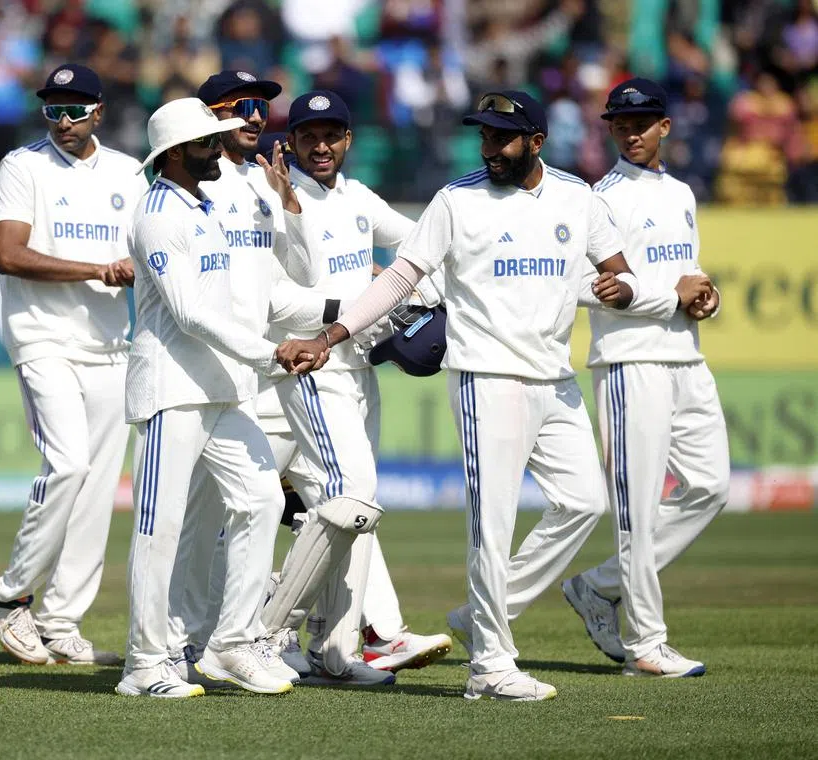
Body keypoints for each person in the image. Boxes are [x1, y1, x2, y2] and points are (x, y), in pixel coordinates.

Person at [275, 90, 702, 701]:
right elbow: (401, 276)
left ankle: (483, 618)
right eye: (483, 137)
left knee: (583, 502)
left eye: (502, 138)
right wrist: (332, 334)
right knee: (491, 527)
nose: (490, 149)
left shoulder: (576, 196)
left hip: (554, 379)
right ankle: (491, 666)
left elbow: (617, 268)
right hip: (486, 377)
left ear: (536, 141)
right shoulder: (456, 199)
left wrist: (622, 288)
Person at [260, 90, 452, 685]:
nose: (320, 146)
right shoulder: (268, 197)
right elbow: (285, 283)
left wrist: (408, 291)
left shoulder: (359, 197)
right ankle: (266, 632)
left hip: (360, 369)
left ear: (348, 140)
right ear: (290, 141)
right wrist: (288, 205)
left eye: (331, 135)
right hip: (310, 366)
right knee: (353, 494)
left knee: (350, 508)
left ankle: (338, 651)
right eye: (308, 136)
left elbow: (427, 248)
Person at [119, 97, 303, 698]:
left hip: (219, 389)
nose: (217, 149)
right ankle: (144, 666)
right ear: (174, 154)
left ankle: (230, 643)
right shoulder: (157, 214)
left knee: (259, 501)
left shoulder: (199, 206)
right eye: (206, 142)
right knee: (159, 527)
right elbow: (189, 312)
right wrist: (268, 352)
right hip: (171, 390)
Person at [0, 64, 146, 668]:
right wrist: (97, 269)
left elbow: (152, 249)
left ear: (99, 111)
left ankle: (61, 620)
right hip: (43, 338)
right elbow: (9, 254)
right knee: (69, 465)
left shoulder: (131, 172)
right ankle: (8, 596)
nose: (64, 120)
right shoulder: (22, 166)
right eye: (54, 109)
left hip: (110, 344)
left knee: (100, 488)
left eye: (76, 109)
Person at [562, 77, 728, 678]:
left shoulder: (682, 192)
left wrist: (705, 293)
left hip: (687, 357)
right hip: (631, 362)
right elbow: (589, 286)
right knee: (637, 510)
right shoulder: (597, 198)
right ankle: (647, 644)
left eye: (643, 122)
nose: (632, 132)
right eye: (621, 123)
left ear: (665, 127)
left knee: (710, 487)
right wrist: (669, 297)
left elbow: (684, 270)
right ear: (608, 129)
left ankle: (599, 586)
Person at [163, 69, 319, 685]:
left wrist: (290, 205)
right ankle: (180, 643)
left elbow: (297, 277)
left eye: (262, 109)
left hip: (247, 376)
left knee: (245, 509)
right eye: (243, 107)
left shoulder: (261, 184)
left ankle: (222, 640)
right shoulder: (197, 186)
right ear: (211, 118)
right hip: (198, 374)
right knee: (194, 521)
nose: (256, 118)